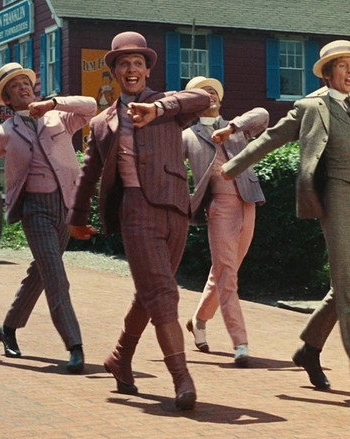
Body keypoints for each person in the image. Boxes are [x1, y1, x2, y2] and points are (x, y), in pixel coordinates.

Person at [221, 40, 350, 407]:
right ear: (328, 74)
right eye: (342, 66)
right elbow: (272, 137)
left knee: (345, 286)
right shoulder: (311, 108)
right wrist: (232, 166)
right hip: (335, 200)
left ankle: (309, 349)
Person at [67, 31, 210, 410]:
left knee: (149, 294)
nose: (131, 69)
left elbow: (204, 98)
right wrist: (77, 217)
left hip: (175, 208)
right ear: (114, 72)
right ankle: (182, 378)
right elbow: (89, 173)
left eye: (137, 63)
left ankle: (120, 357)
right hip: (134, 211)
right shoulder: (102, 123)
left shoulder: (169, 104)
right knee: (163, 293)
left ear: (147, 70)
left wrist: (158, 109)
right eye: (123, 64)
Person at [0, 62, 95, 373]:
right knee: (55, 274)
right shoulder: (4, 131)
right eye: (15, 85)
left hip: (66, 205)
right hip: (35, 208)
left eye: (26, 82)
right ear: (7, 97)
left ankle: (8, 328)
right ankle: (75, 345)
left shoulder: (59, 116)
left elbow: (91, 106)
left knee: (41, 273)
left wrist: (54, 103)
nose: (23, 87)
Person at [182, 75, 268, 367]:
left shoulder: (236, 127)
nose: (211, 94)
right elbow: (171, 169)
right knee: (227, 274)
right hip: (219, 206)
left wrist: (231, 128)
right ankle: (240, 341)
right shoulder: (188, 136)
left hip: (248, 201)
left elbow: (263, 115)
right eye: (203, 92)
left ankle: (198, 320)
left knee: (223, 272)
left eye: (213, 90)